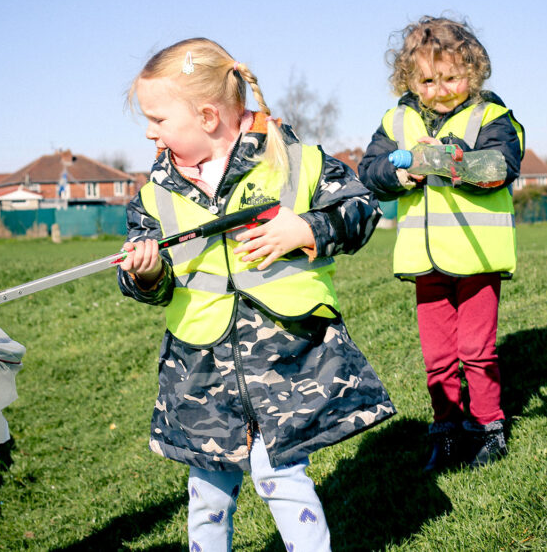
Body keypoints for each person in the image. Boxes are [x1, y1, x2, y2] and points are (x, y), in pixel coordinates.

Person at [118, 38, 395, 552]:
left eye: (157, 119)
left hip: (284, 366)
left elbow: (361, 209)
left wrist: (306, 229)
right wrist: (147, 274)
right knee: (206, 495)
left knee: (281, 480)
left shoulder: (294, 160)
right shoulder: (153, 196)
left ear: (206, 116)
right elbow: (147, 285)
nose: (149, 131)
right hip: (199, 373)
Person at [358, 16, 525, 471]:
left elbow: (501, 166)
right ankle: (446, 432)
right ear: (409, 80)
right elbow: (369, 170)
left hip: (477, 258)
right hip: (424, 261)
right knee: (438, 357)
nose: (440, 90)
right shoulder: (397, 120)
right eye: (428, 81)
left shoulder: (491, 116)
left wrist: (454, 162)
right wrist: (402, 172)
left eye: (451, 78)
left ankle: (487, 428)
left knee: (476, 351)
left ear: (474, 71)